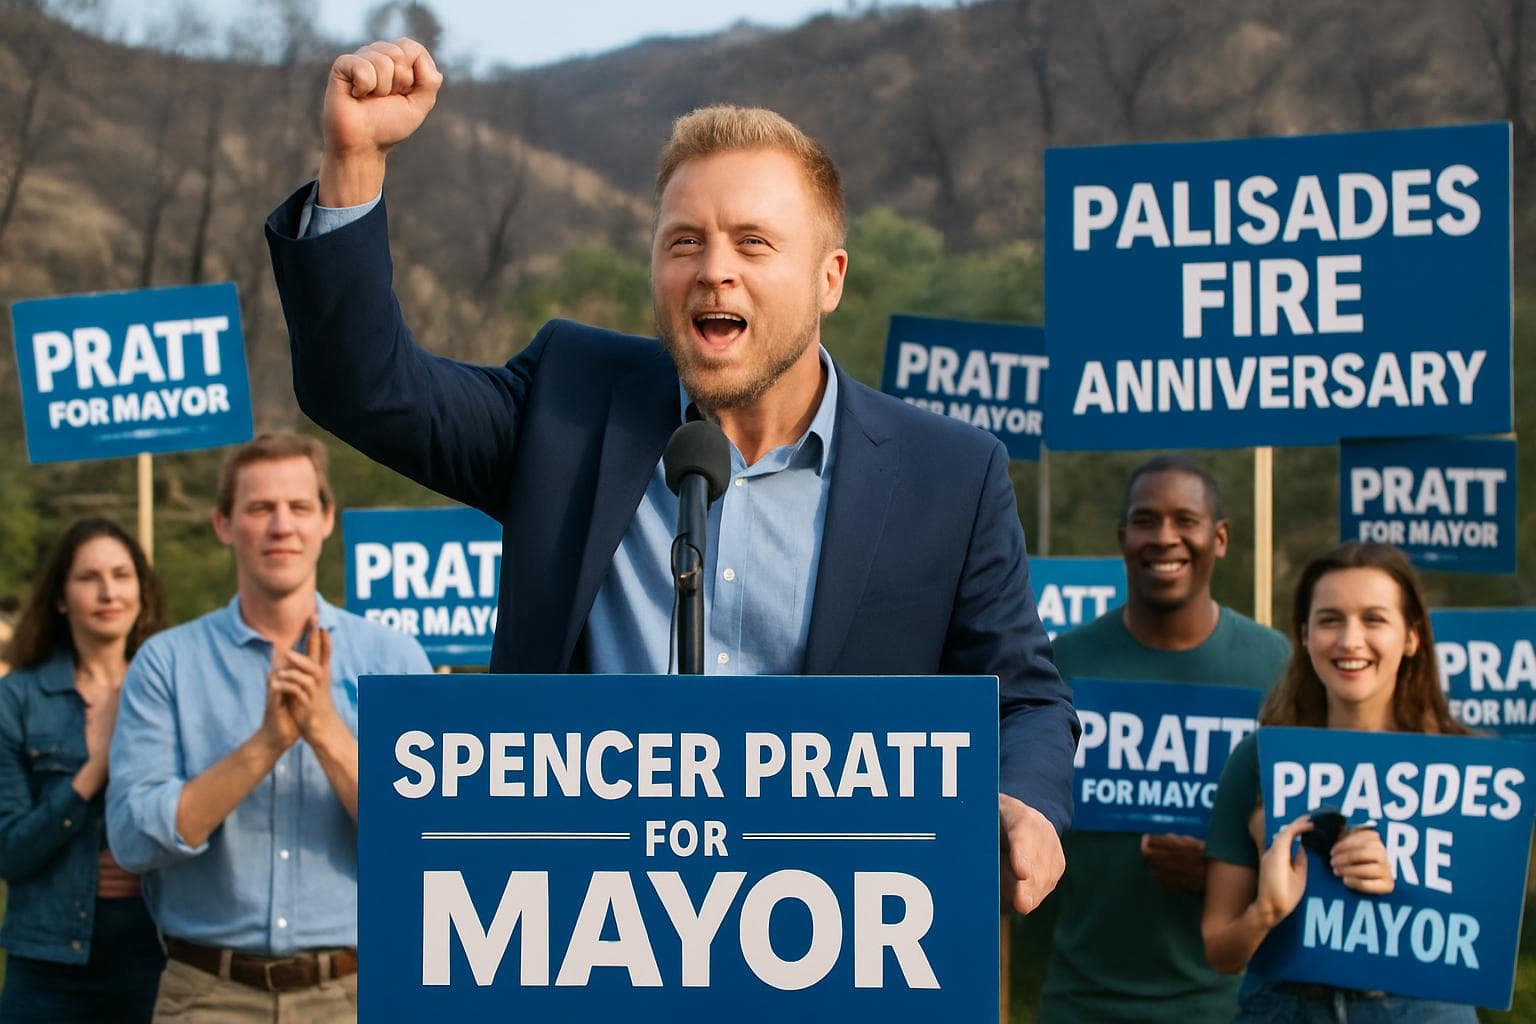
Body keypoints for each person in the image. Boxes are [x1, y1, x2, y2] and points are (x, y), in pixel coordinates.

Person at [263, 38, 1078, 912]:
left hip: (826, 937)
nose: (713, 268)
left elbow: (1025, 700)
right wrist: (354, 162)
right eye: (684, 241)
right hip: (581, 934)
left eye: (753, 242)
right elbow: (368, 390)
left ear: (829, 279)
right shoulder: (570, 404)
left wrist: (1027, 804)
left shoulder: (950, 475)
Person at [106, 433, 431, 1023]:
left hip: (357, 994)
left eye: (299, 506)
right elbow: (132, 841)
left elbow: (424, 835)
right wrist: (264, 747)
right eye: (259, 508)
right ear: (223, 524)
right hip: (206, 996)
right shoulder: (165, 663)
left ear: (326, 519)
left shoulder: (394, 658)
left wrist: (324, 730)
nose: (282, 526)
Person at [1037, 456, 1290, 1022]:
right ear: (1122, 539)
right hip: (1081, 1000)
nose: (1165, 538)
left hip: (1226, 1005)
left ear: (1219, 538)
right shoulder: (1064, 662)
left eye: (1186, 520)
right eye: (1146, 521)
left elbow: (1298, 840)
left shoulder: (1274, 666)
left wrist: (1225, 877)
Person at [1202, 541, 1476, 1022]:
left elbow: (1484, 937)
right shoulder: (1258, 761)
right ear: (1304, 635)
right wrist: (1267, 909)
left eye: (1374, 619)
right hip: (1284, 1008)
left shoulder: (1469, 770)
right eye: (1330, 620)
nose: (1350, 640)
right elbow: (1220, 951)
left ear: (1411, 637)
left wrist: (1408, 880)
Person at [0, 518, 167, 1022]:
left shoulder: (174, 690)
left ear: (142, 591)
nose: (108, 592)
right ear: (59, 597)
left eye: (121, 575)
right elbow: (9, 851)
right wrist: (96, 769)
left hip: (159, 956)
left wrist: (145, 861)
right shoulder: (17, 699)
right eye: (89, 577)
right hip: (47, 968)